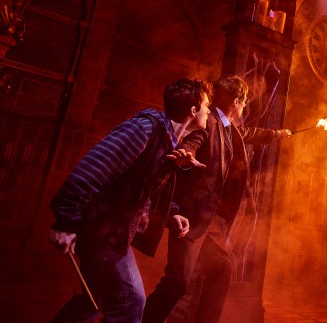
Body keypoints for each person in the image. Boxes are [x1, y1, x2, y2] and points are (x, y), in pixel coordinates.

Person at [48, 77, 211, 323]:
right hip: (104, 232)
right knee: (131, 303)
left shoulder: (168, 141)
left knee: (95, 300)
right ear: (193, 110)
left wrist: (172, 214)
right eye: (206, 105)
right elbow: (91, 169)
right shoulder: (144, 129)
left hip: (116, 232)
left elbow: (144, 189)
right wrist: (65, 223)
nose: (209, 111)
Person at [143, 74, 291, 323]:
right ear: (236, 101)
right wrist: (185, 153)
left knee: (222, 270)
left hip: (209, 222)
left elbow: (248, 133)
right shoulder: (208, 124)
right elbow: (194, 139)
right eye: (244, 103)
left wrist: (276, 134)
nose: (244, 107)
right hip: (192, 219)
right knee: (177, 282)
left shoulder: (228, 127)